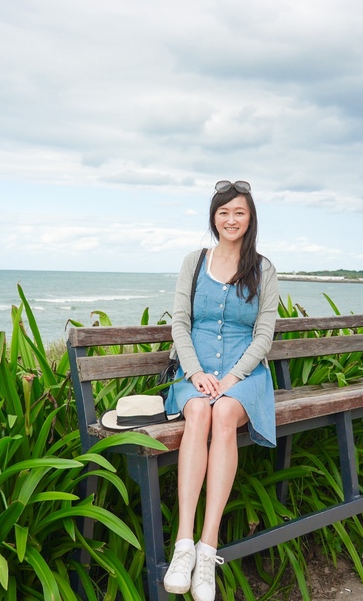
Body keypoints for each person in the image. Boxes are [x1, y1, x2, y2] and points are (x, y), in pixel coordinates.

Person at [162, 180, 279, 601]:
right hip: (194, 374)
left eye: (239, 213)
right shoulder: (194, 262)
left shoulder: (263, 269)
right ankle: (184, 546)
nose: (231, 219)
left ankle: (208, 550)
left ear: (250, 219)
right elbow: (180, 324)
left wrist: (232, 378)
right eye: (224, 212)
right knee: (198, 412)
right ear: (214, 218)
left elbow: (264, 335)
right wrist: (194, 374)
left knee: (225, 413)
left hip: (244, 377)